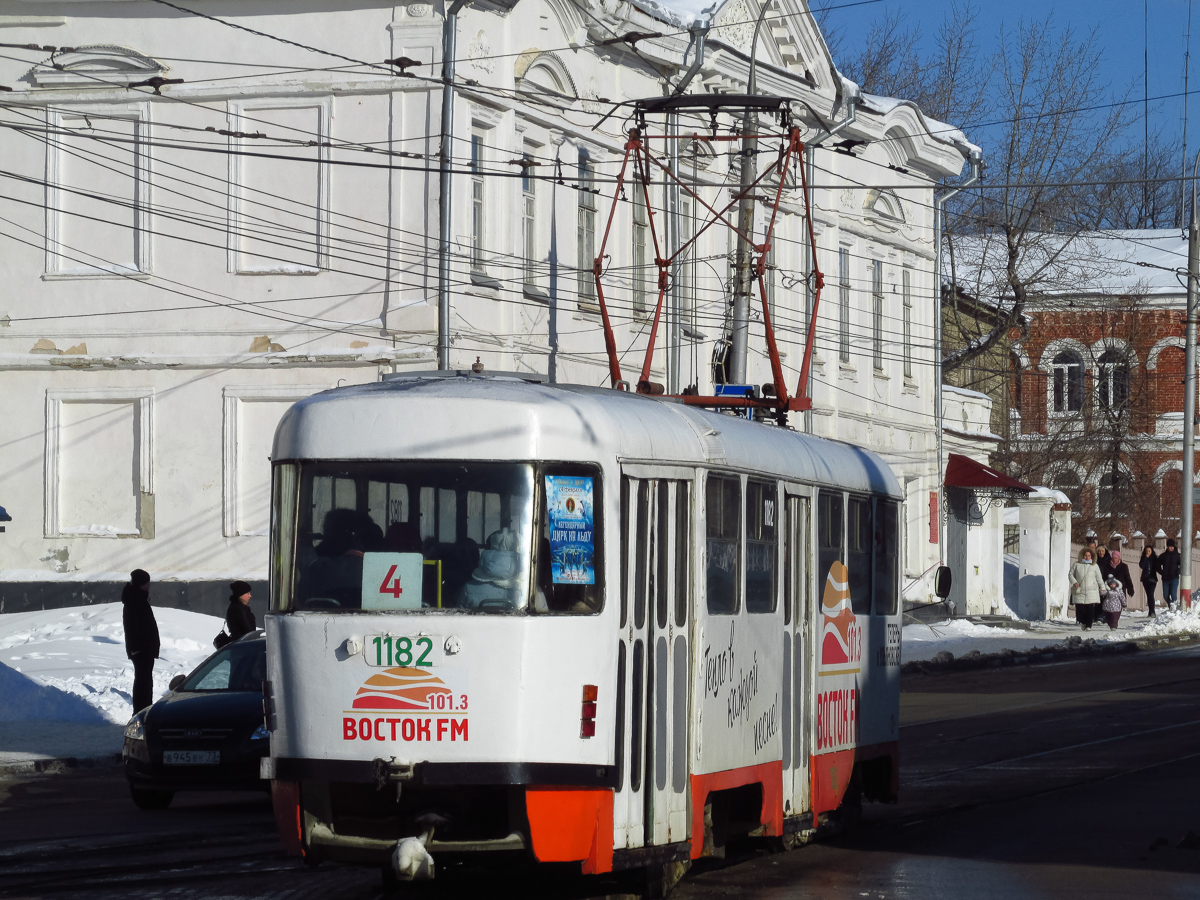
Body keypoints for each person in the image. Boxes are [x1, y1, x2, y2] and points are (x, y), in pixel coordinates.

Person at [122, 569, 160, 714]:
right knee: (143, 682)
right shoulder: (137, 601)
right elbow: (142, 627)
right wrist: (149, 645)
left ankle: (142, 710)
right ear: (141, 584)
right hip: (142, 649)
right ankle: (142, 712)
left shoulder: (136, 599)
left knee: (143, 680)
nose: (149, 585)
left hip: (141, 649)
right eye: (147, 582)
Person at [1069, 548, 1104, 631]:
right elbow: (1070, 574)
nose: (1087, 557)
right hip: (1079, 590)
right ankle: (1083, 622)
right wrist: (1074, 582)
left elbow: (1099, 578)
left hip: (1091, 591)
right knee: (1080, 610)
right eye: (1085, 555)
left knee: (1090, 610)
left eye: (1089, 556)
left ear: (1091, 556)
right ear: (1082, 556)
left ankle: (1089, 625)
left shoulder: (1095, 566)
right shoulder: (1076, 564)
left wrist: (1102, 587)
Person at [1160, 539, 1182, 610]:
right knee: (1165, 595)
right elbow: (1157, 564)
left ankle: (1174, 608)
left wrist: (1178, 571)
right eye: (1169, 546)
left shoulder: (1178, 556)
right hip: (1165, 579)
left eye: (1171, 546)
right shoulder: (1163, 556)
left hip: (1174, 578)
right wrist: (1161, 572)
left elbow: (1182, 565)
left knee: (1173, 594)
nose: (1170, 548)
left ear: (1174, 546)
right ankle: (1171, 605)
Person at [1139, 545, 1160, 617]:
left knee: (1151, 594)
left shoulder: (1154, 559)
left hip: (1153, 579)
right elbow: (1141, 566)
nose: (1148, 552)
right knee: (1148, 595)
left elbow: (1157, 567)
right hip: (1145, 579)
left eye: (1149, 551)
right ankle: (1150, 611)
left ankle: (1152, 611)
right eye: (1147, 551)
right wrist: (1145, 558)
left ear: (1152, 551)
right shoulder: (1143, 558)